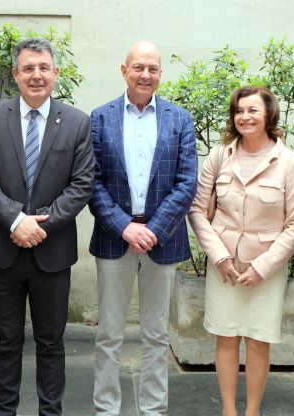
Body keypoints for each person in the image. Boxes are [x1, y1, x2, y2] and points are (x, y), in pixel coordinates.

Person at [0, 37, 95, 416]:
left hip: (52, 253)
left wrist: (41, 225)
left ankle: (49, 412)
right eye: (28, 68)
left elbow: (82, 183)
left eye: (43, 68)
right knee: (6, 342)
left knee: (51, 343)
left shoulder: (76, 122)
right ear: (15, 75)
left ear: (55, 73)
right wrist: (16, 220)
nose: (36, 75)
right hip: (5, 251)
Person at [89, 40, 198, 416]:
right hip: (113, 238)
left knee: (156, 334)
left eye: (153, 69)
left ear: (160, 75)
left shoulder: (179, 119)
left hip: (162, 239)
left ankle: (153, 409)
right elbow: (92, 181)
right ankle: (106, 408)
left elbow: (187, 182)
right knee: (108, 335)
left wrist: (152, 228)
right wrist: (125, 227)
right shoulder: (100, 118)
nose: (145, 75)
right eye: (139, 67)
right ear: (124, 70)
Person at [187, 86, 294, 416]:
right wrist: (220, 257)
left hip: (265, 269)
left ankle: (252, 411)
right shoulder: (218, 156)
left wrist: (263, 266)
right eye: (239, 111)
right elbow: (197, 210)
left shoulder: (289, 162)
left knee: (256, 340)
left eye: (253, 110)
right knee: (226, 338)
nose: (245, 116)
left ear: (269, 115)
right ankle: (229, 410)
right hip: (224, 265)